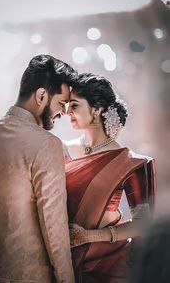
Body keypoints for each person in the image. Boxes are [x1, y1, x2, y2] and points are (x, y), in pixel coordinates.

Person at [0, 54, 77, 283]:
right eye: (61, 103)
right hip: (29, 276)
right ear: (42, 95)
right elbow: (53, 223)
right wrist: (67, 279)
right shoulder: (47, 145)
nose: (63, 112)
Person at [63, 73, 156, 283]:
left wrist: (88, 236)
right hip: (60, 258)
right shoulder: (60, 150)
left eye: (75, 105)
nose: (67, 111)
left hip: (107, 264)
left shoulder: (131, 163)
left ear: (96, 110)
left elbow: (143, 224)